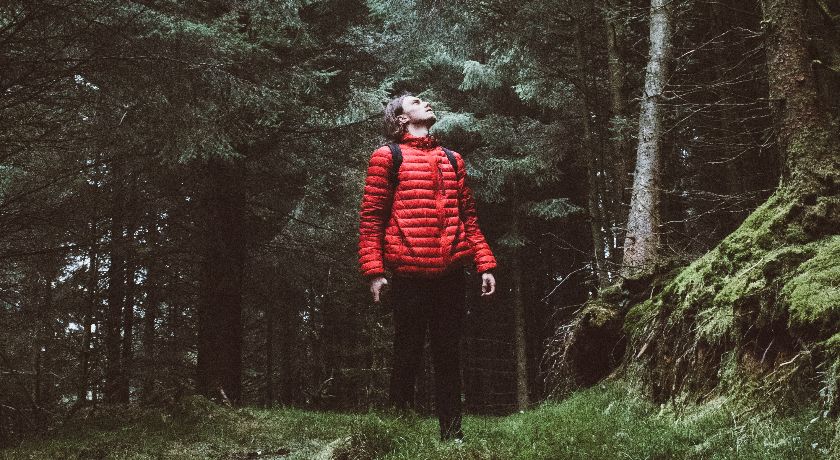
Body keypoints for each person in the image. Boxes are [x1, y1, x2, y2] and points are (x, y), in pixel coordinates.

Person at [358, 92, 498, 442]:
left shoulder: (452, 159)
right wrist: (375, 271)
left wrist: (485, 264)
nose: (427, 103)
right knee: (406, 353)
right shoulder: (386, 157)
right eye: (417, 101)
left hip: (451, 274)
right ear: (401, 118)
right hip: (408, 274)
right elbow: (372, 219)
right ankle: (394, 435)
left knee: (448, 355)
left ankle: (452, 437)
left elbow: (469, 218)